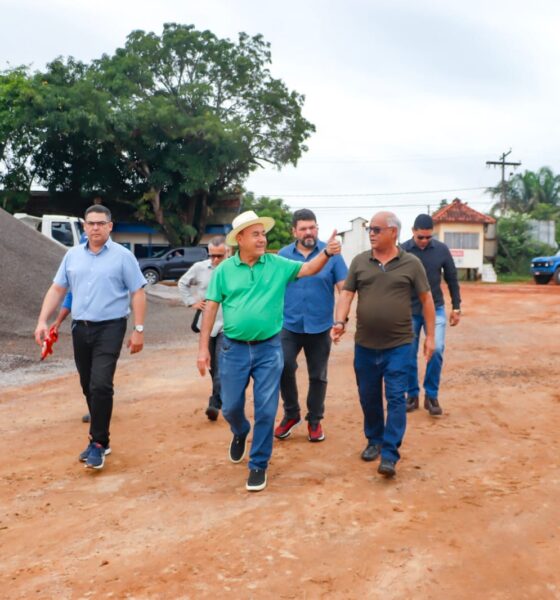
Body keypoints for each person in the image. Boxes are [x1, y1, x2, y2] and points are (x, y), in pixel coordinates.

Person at [197, 210, 341, 492]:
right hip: (233, 349)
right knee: (231, 407)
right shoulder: (224, 270)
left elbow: (308, 269)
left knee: (266, 409)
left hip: (268, 349)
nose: (262, 239)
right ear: (240, 239)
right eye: (256, 234)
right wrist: (203, 348)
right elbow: (211, 308)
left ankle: (258, 463)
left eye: (263, 233)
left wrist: (327, 253)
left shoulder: (277, 264)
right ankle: (240, 431)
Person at [34, 205, 147, 471]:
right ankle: (100, 435)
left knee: (101, 384)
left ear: (110, 226)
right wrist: (43, 320)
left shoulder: (123, 257)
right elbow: (57, 289)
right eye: (91, 223)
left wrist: (138, 329)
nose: (95, 228)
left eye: (100, 223)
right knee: (88, 384)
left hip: (111, 327)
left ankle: (98, 442)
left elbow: (138, 292)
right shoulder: (72, 256)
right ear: (84, 226)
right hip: (80, 328)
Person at [331, 211, 435, 478]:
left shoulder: (411, 263)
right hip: (365, 345)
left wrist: (431, 337)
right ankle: (374, 440)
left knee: (396, 398)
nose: (372, 234)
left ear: (393, 232)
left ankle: (389, 454)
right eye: (370, 229)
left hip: (399, 345)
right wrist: (340, 321)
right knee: (368, 397)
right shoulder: (360, 261)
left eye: (377, 229)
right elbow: (346, 294)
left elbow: (427, 300)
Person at [274, 209, 348, 443]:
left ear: (317, 228)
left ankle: (315, 420)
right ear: (294, 231)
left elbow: (344, 289)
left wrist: (341, 320)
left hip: (320, 326)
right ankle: (291, 414)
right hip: (289, 325)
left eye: (312, 227)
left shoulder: (333, 254)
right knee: (283, 366)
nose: (309, 232)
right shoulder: (283, 255)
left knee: (318, 375)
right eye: (303, 228)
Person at [401, 214, 461, 416]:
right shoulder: (402, 250)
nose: (425, 241)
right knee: (408, 353)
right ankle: (412, 394)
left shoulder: (441, 250)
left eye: (428, 237)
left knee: (437, 349)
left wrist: (456, 307)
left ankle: (431, 395)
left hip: (436, 309)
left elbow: (452, 278)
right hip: (409, 310)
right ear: (413, 231)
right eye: (421, 237)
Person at [178, 236, 228, 421]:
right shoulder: (199, 268)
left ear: (228, 252)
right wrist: (191, 302)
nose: (215, 259)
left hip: (228, 326)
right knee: (213, 366)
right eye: (212, 255)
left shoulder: (234, 269)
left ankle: (215, 403)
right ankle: (221, 397)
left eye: (219, 256)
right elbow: (182, 283)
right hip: (207, 325)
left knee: (221, 366)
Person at [51, 292, 91, 424]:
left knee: (100, 375)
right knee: (85, 374)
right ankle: (95, 407)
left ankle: (99, 410)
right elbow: (70, 297)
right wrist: (58, 321)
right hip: (81, 327)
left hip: (107, 327)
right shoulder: (76, 280)